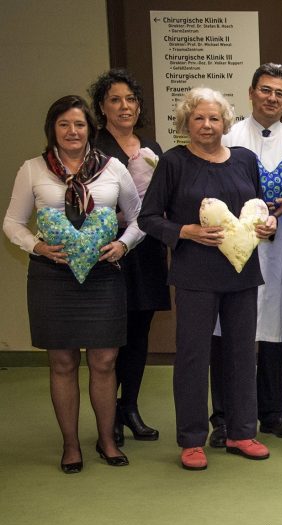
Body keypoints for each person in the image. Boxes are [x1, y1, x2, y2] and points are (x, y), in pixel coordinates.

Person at [138, 87, 277, 471]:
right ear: (186, 122)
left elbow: (259, 207)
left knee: (241, 356)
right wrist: (186, 231)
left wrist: (268, 223)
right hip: (195, 274)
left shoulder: (245, 160)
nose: (206, 124)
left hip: (242, 273)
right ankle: (192, 439)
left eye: (214, 118)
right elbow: (148, 218)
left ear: (225, 122)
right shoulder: (173, 162)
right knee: (193, 357)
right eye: (198, 118)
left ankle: (242, 432)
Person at [3, 95, 143, 472]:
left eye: (79, 124)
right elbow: (12, 223)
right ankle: (70, 445)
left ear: (90, 130)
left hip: (103, 276)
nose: (72, 131)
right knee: (62, 362)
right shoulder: (32, 169)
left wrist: (122, 244)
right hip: (52, 278)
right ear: (52, 129)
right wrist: (37, 247)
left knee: (104, 360)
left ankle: (107, 440)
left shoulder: (113, 168)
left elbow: (139, 218)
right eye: (63, 124)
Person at [207, 63, 282, 446]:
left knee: (272, 334)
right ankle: (223, 417)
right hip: (231, 251)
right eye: (265, 90)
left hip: (278, 248)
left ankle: (273, 413)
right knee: (226, 336)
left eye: (279, 93)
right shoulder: (228, 136)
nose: (271, 98)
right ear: (250, 92)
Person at [88, 68, 169, 446]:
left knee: (139, 332)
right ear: (102, 107)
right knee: (111, 334)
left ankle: (130, 407)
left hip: (147, 247)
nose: (125, 106)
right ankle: (110, 417)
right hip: (109, 248)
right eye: (116, 100)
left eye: (131, 100)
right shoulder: (93, 146)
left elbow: (166, 192)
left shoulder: (151, 145)